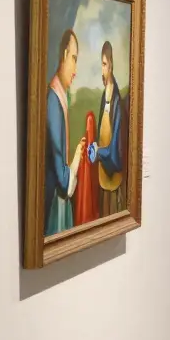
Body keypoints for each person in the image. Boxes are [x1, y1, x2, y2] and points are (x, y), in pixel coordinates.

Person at [45, 29, 87, 234]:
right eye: (74, 58)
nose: (76, 69)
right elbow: (63, 182)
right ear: (63, 56)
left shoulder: (59, 97)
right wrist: (78, 157)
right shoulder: (53, 101)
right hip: (54, 209)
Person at [93, 40, 128, 217]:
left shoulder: (116, 103)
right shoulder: (103, 98)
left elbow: (116, 154)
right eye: (101, 64)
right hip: (102, 179)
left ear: (111, 65)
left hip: (114, 183)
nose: (102, 70)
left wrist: (99, 153)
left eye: (105, 64)